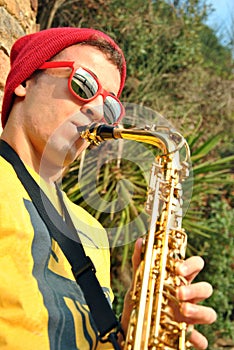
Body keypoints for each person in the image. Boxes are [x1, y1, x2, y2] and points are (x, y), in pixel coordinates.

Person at [0, 27, 216, 350]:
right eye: (84, 84)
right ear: (24, 82)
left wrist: (132, 327)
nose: (98, 111)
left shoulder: (94, 232)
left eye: (111, 108)